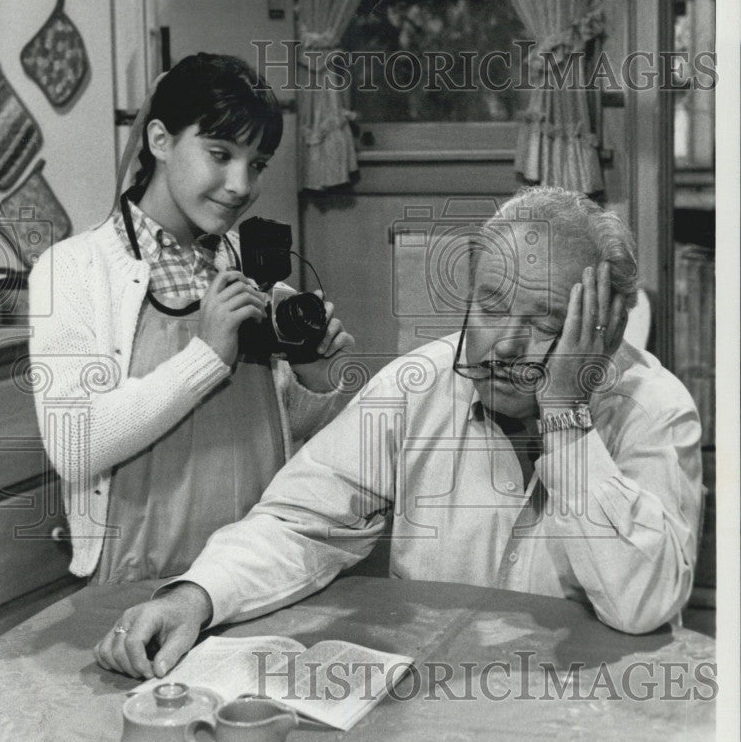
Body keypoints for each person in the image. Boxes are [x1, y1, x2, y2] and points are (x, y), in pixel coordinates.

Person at [94, 186, 703, 679]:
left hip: (591, 712)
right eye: (490, 308)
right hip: (440, 697)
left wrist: (565, 414)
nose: (504, 345)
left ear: (604, 330)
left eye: (544, 323)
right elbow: (296, 520)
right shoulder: (419, 383)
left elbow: (642, 604)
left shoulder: (653, 409)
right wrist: (195, 596)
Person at [29, 53, 353, 584]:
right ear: (160, 141)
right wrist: (205, 357)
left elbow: (279, 440)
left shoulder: (252, 271)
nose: (240, 184)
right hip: (137, 575)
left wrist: (313, 381)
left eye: (257, 163)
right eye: (219, 154)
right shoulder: (75, 269)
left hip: (251, 571)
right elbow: (74, 445)